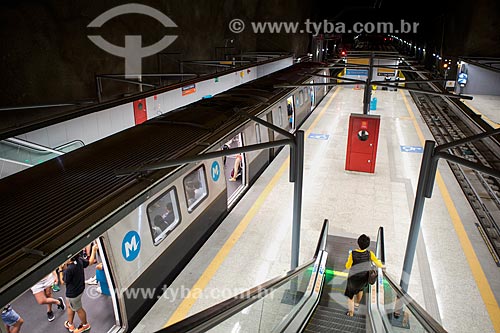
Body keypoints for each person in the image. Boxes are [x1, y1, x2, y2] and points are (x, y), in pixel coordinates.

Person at [344, 234, 384, 317]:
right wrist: (383, 266)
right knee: (360, 290)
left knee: (351, 296)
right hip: (364, 277)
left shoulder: (353, 254)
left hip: (353, 278)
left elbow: (347, 266)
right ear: (368, 245)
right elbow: (378, 263)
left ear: (358, 243)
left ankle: (351, 313)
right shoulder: (370, 254)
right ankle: (357, 305)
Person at [59, 251, 94, 333]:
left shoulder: (69, 269)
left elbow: (63, 282)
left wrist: (61, 271)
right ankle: (70, 324)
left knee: (78, 309)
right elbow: (90, 262)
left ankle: (85, 325)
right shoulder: (79, 260)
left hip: (73, 294)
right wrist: (94, 250)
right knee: (69, 306)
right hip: (79, 289)